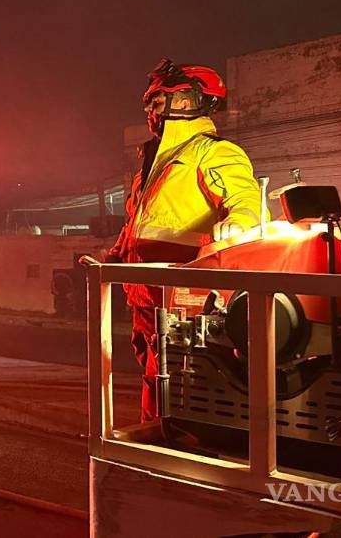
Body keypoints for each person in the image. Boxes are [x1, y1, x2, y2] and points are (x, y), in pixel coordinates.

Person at [108, 59, 265, 422]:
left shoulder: (213, 151)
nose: (149, 110)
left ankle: (172, 443)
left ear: (184, 101)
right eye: (148, 103)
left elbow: (244, 198)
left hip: (184, 297)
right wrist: (115, 254)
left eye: (156, 101)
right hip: (146, 293)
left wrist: (241, 219)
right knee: (152, 367)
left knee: (176, 374)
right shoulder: (155, 160)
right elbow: (139, 220)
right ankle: (160, 437)